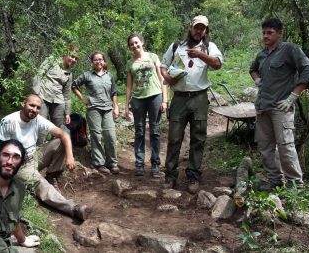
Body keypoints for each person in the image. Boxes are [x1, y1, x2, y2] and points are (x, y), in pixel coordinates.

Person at [0, 94, 90, 221]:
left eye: (38, 107)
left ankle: (52, 176)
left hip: (34, 156)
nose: (34, 109)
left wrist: (70, 157)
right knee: (40, 183)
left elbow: (64, 134)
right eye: (31, 105)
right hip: (18, 164)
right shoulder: (9, 121)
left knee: (60, 141)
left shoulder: (37, 119)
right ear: (24, 103)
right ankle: (73, 208)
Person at [249, 18, 309, 191]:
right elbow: (253, 69)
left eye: (270, 32)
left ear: (280, 33)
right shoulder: (263, 54)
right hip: (263, 106)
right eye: (263, 32)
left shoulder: (289, 49)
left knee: (285, 147)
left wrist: (293, 96)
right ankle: (275, 180)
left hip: (281, 107)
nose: (266, 35)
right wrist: (258, 81)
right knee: (265, 146)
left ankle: (296, 186)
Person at [160, 15, 223, 193]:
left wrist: (200, 55)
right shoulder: (176, 46)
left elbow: (218, 64)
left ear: (206, 31)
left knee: (198, 138)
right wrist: (167, 78)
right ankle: (170, 175)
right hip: (179, 98)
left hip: (199, 98)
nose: (199, 31)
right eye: (196, 27)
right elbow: (163, 65)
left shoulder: (210, 47)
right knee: (174, 138)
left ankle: (193, 175)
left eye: (202, 28)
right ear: (191, 28)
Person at [125, 33, 167, 178]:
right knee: (139, 132)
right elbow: (129, 86)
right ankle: (139, 165)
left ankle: (155, 165)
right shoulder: (130, 63)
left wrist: (165, 100)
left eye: (136, 42)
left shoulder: (153, 57)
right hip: (138, 99)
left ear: (142, 42)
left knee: (155, 131)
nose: (134, 46)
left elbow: (162, 79)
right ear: (130, 47)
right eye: (131, 44)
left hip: (155, 96)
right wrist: (126, 106)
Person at [72, 51, 120, 175]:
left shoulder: (109, 76)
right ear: (92, 62)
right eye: (95, 60)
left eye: (100, 59)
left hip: (107, 109)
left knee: (110, 136)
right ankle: (99, 163)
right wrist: (83, 98)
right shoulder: (87, 75)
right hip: (93, 109)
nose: (98, 62)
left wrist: (116, 107)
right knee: (96, 136)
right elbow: (74, 85)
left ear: (104, 61)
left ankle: (112, 163)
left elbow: (114, 92)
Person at [33, 44, 79, 127]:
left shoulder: (69, 74)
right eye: (72, 56)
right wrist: (36, 95)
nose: (74, 60)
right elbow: (38, 75)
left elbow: (67, 94)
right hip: (43, 96)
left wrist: (67, 113)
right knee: (40, 126)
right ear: (65, 53)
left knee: (57, 129)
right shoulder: (51, 60)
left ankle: (54, 140)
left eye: (76, 58)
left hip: (58, 101)